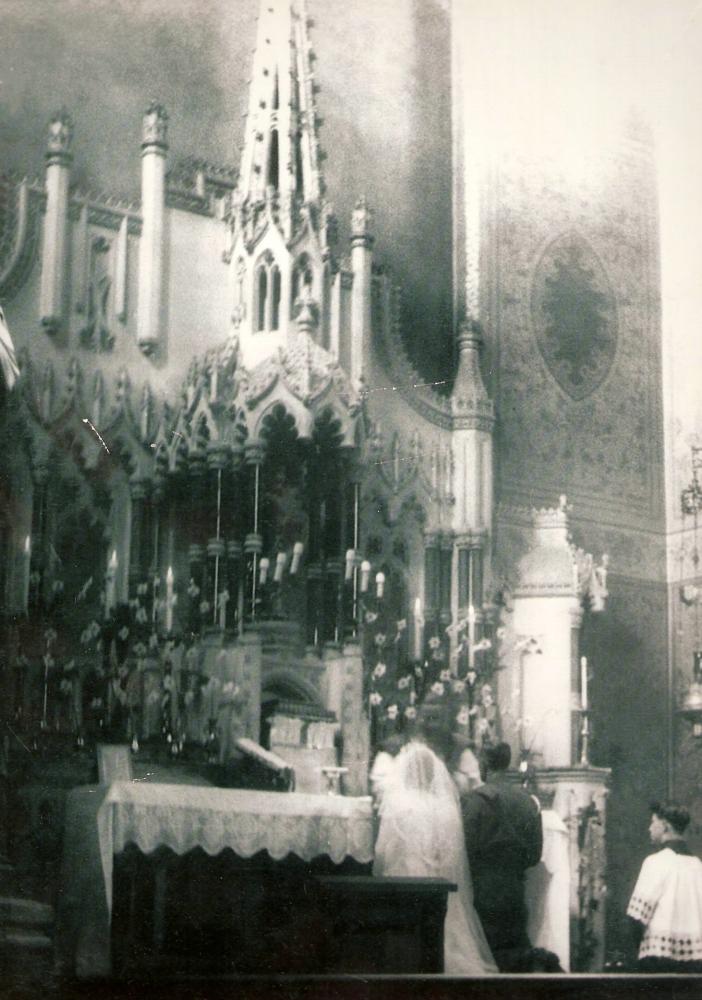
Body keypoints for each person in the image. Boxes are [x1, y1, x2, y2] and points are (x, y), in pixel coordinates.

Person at [373, 740, 497, 975]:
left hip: (404, 880)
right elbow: (451, 854)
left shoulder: (399, 804)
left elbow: (383, 851)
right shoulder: (445, 808)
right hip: (438, 884)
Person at [461, 742, 543, 972]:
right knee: (515, 962)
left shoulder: (474, 801)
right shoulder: (527, 802)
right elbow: (535, 855)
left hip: (483, 894)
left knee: (487, 962)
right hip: (516, 893)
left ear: (485, 764)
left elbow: (465, 850)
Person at [627, 800, 702, 973]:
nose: (649, 828)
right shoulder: (698, 865)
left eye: (653, 822)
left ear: (666, 826)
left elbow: (637, 916)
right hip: (697, 962)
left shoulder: (656, 862)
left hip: (658, 958)